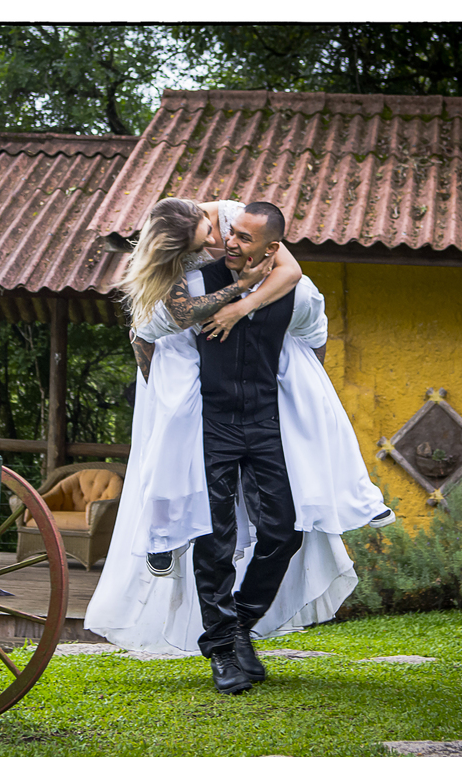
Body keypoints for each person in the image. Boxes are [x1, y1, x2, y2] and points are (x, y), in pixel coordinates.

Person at [84, 197, 393, 694]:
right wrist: (158, 399)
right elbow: (145, 332)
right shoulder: (189, 287)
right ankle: (225, 648)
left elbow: (315, 339)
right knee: (215, 538)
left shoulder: (298, 290)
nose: (228, 241)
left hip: (267, 423)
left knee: (284, 529)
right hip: (210, 425)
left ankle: (239, 624)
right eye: (228, 234)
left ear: (270, 248)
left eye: (242, 238)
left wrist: (292, 384)